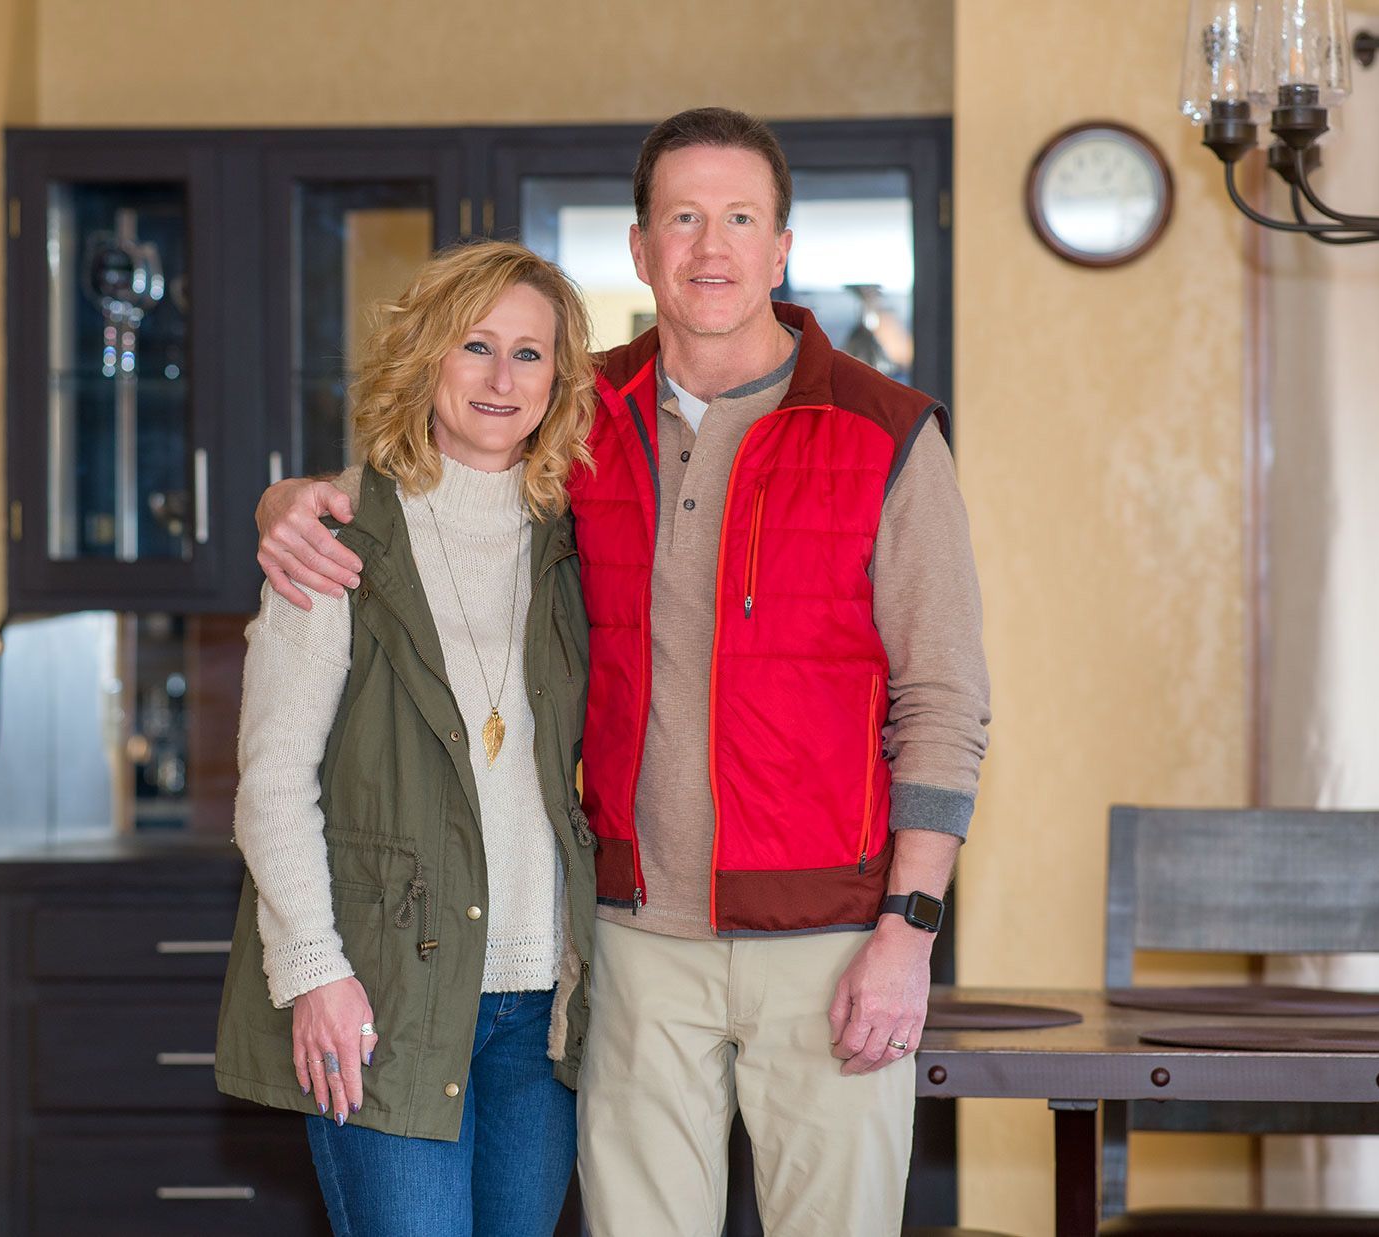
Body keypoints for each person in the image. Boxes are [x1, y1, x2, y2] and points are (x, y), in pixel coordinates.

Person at [253, 107, 991, 1236]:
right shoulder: (577, 416)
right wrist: (292, 503)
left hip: (833, 937)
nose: (710, 247)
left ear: (781, 246)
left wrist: (908, 932)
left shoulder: (884, 433)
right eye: (681, 218)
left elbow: (942, 702)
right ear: (639, 250)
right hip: (628, 945)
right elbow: (445, 478)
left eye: (738, 218)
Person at [212, 240, 599, 1237]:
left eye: (529, 352)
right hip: (383, 994)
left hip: (539, 1013)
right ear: (426, 355)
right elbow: (272, 781)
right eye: (476, 345)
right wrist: (313, 973)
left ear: (559, 379)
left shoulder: (580, 542)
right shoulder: (338, 537)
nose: (501, 377)